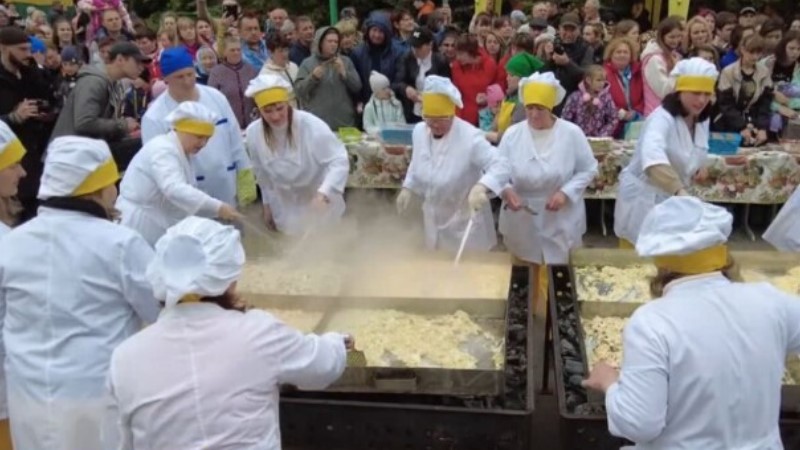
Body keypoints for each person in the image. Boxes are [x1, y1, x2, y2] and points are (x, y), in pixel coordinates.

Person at [109, 216, 348, 448]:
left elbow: (121, 440)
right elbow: (322, 367)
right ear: (230, 280)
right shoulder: (258, 333)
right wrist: (338, 342)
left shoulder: (125, 358)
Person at [584, 196, 800, 449]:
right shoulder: (770, 300)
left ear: (661, 264)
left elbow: (639, 424)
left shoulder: (652, 322)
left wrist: (609, 383)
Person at [0, 136, 160, 450]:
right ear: (96, 188)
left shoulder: (11, 244)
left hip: (28, 397)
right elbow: (162, 311)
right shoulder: (120, 244)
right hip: (97, 395)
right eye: (112, 181)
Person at [498, 71, 598, 309]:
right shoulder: (513, 135)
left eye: (540, 109)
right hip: (522, 214)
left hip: (560, 215)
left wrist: (565, 193)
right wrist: (507, 190)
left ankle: (557, 315)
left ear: (551, 107)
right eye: (530, 108)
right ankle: (527, 314)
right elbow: (497, 171)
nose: (533, 114)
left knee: (558, 271)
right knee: (524, 272)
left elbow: (588, 169)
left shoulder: (571, 133)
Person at [396, 75, 510, 252]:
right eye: (429, 119)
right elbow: (418, 161)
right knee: (437, 266)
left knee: (468, 268)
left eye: (440, 120)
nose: (434, 125)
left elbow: (501, 164)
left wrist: (481, 187)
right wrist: (408, 187)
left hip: (466, 226)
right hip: (434, 221)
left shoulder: (469, 137)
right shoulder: (419, 132)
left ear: (451, 115)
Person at [614, 58, 719, 247]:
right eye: (696, 93)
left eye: (707, 94)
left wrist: (698, 166)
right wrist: (680, 191)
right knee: (639, 255)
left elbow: (693, 149)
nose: (702, 100)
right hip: (644, 199)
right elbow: (653, 162)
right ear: (679, 92)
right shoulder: (661, 119)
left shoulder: (700, 118)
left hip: (672, 199)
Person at [142, 46, 253, 210]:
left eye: (190, 74)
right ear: (165, 79)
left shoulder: (215, 98)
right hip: (189, 199)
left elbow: (234, 138)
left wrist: (245, 174)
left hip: (227, 187)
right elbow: (157, 164)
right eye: (179, 77)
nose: (187, 81)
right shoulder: (154, 117)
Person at [118, 101, 242, 246]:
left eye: (207, 138)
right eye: (199, 137)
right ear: (182, 130)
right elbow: (174, 188)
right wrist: (217, 207)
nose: (203, 144)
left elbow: (185, 197)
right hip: (138, 224)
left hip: (156, 223)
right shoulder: (163, 150)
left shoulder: (181, 152)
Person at [244, 74, 349, 235]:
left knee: (326, 244)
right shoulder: (253, 133)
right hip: (285, 207)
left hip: (319, 202)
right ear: (259, 110)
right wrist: (267, 205)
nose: (275, 116)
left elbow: (338, 160)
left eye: (280, 108)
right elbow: (262, 174)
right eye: (267, 111)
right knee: (291, 242)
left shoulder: (311, 126)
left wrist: (324, 193)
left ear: (288, 103)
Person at [0, 26, 55, 221]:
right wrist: (13, 117)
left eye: (29, 49)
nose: (28, 54)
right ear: (4, 48)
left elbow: (49, 98)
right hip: (9, 160)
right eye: (22, 49)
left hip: (36, 153)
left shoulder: (30, 73)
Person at [51, 41, 147, 141]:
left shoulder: (114, 84)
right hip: (70, 147)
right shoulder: (93, 81)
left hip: (87, 145)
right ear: (120, 59)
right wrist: (123, 125)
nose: (142, 67)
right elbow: (84, 123)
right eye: (137, 62)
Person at [295, 26, 361, 131]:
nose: (333, 44)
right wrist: (313, 78)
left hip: (345, 123)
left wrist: (345, 74)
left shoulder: (346, 61)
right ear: (320, 43)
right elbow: (299, 91)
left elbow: (357, 87)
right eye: (329, 41)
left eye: (336, 41)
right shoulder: (307, 63)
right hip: (318, 124)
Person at [392, 27, 452, 124]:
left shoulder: (441, 61)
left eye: (419, 47)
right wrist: (406, 88)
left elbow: (447, 88)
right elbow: (397, 83)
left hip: (434, 112)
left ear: (430, 45)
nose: (415, 50)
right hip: (412, 111)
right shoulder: (406, 59)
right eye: (413, 46)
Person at [561, 64, 620, 137]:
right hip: (578, 138)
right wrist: (574, 134)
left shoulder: (606, 98)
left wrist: (602, 135)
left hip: (599, 139)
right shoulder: (575, 97)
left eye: (604, 80)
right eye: (598, 80)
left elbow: (613, 118)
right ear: (588, 80)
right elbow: (566, 118)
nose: (602, 83)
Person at [363, 71, 406, 135]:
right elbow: (368, 126)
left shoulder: (396, 104)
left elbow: (402, 124)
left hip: (395, 137)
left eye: (388, 87)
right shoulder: (369, 107)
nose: (387, 90)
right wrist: (382, 131)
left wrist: (392, 131)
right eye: (384, 89)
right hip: (376, 138)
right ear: (376, 91)